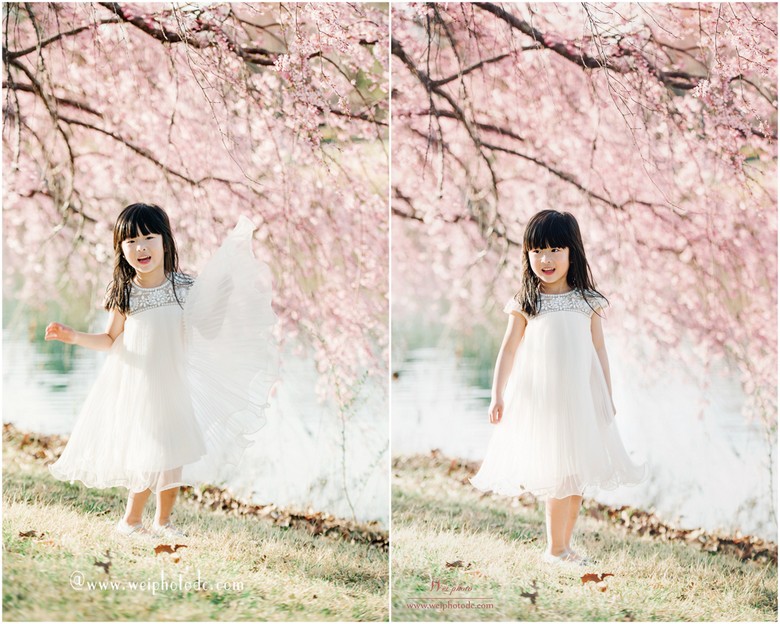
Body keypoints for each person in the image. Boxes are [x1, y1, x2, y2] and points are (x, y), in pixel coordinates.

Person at [45, 203, 278, 540]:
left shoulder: (183, 286)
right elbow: (110, 339)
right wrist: (73, 336)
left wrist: (221, 299)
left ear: (165, 242)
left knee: (174, 456)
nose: (141, 247)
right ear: (120, 249)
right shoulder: (126, 292)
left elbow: (207, 329)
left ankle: (164, 522)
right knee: (148, 455)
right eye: (131, 241)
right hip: (141, 387)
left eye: (149, 238)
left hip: (174, 384)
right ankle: (130, 522)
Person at [470, 209, 646, 565]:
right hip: (544, 400)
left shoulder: (587, 301)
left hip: (579, 397)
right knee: (556, 471)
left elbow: (598, 349)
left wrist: (606, 395)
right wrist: (496, 394)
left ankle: (566, 545)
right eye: (537, 251)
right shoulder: (528, 302)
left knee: (577, 473)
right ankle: (554, 549)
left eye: (555, 250)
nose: (545, 259)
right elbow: (508, 349)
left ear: (572, 252)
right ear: (527, 254)